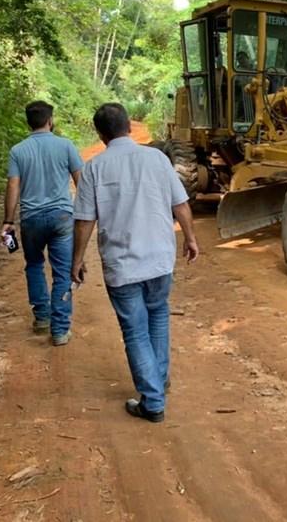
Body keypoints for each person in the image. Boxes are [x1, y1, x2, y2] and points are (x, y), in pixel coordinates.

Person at [71, 103, 199, 423]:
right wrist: (191, 239)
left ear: (100, 135)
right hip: (159, 260)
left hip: (123, 265)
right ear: (129, 125)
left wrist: (76, 261)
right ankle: (160, 378)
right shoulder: (157, 158)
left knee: (135, 330)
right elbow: (180, 204)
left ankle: (153, 401)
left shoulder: (94, 169)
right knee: (157, 315)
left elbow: (84, 221)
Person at [2, 101, 83, 346]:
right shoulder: (65, 145)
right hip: (61, 218)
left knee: (34, 264)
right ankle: (59, 331)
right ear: (51, 120)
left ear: (29, 123)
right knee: (62, 272)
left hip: (31, 219)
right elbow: (82, 182)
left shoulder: (18, 151)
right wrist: (84, 215)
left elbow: (13, 185)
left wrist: (8, 220)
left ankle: (42, 318)